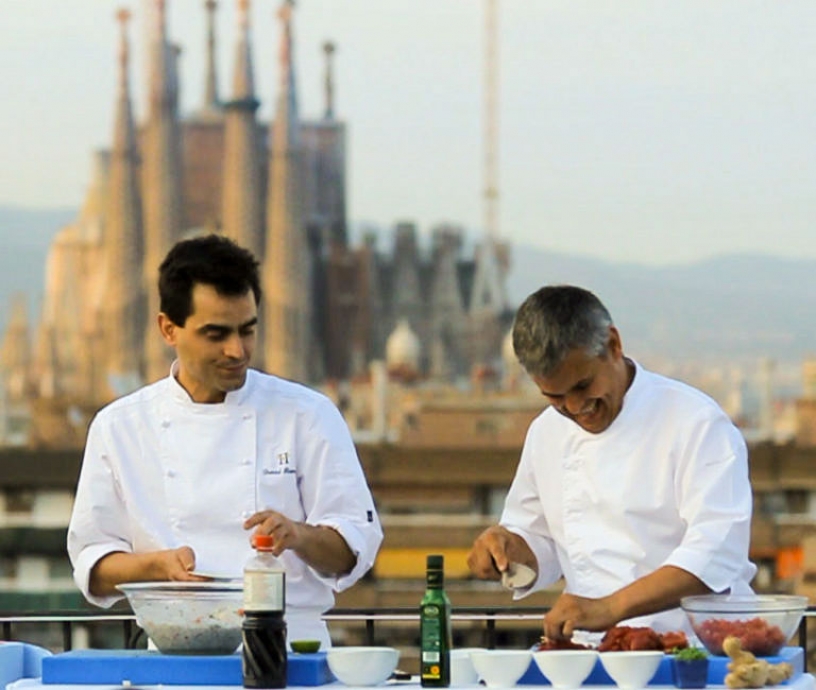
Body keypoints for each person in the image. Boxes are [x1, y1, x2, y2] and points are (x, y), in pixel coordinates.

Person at [67, 234, 383, 646]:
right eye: (216, 334)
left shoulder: (307, 414)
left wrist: (298, 534)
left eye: (247, 331)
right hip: (174, 655)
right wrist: (157, 567)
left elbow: (353, 548)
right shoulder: (120, 427)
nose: (237, 350)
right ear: (168, 329)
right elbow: (93, 562)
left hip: (291, 651)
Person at [467, 285, 756, 642]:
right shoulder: (546, 433)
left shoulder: (695, 422)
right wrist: (506, 550)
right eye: (555, 397)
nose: (574, 408)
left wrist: (608, 608)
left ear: (614, 345)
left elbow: (715, 552)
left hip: (694, 648)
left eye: (583, 386)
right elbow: (540, 539)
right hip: (593, 653)